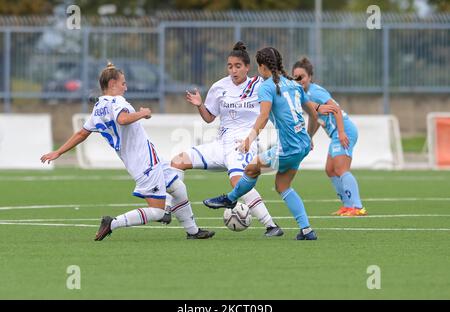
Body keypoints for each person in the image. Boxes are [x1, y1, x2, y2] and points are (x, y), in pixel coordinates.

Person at [40, 62, 215, 241]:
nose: (126, 87)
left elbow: (81, 133)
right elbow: (122, 119)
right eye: (123, 83)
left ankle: (193, 232)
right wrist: (143, 113)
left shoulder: (98, 108)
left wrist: (58, 152)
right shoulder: (117, 101)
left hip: (146, 157)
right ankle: (112, 223)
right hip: (143, 161)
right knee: (157, 211)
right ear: (113, 84)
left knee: (178, 188)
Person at [203, 47, 336, 240]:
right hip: (303, 145)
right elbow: (313, 112)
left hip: (289, 147)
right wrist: (309, 136)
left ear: (262, 66)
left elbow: (264, 116)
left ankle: (230, 199)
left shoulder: (266, 87)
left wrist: (249, 138)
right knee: (283, 186)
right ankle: (307, 230)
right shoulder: (293, 83)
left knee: (250, 169)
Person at [170, 41, 284, 237]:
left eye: (238, 66)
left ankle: (271, 225)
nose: (233, 70)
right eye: (230, 66)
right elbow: (209, 118)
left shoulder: (260, 85)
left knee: (238, 181)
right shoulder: (218, 87)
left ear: (247, 67)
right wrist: (199, 105)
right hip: (220, 144)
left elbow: (280, 97)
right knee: (176, 162)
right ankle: (180, 220)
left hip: (243, 144)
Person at [292, 57, 367, 217]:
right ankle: (347, 206)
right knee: (330, 170)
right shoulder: (302, 96)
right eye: (295, 77)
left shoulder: (315, 92)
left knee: (341, 169)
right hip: (336, 134)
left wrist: (341, 132)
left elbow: (336, 109)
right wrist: (309, 136)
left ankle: (358, 207)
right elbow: (315, 119)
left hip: (345, 130)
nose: (298, 80)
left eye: (302, 77)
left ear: (310, 77)